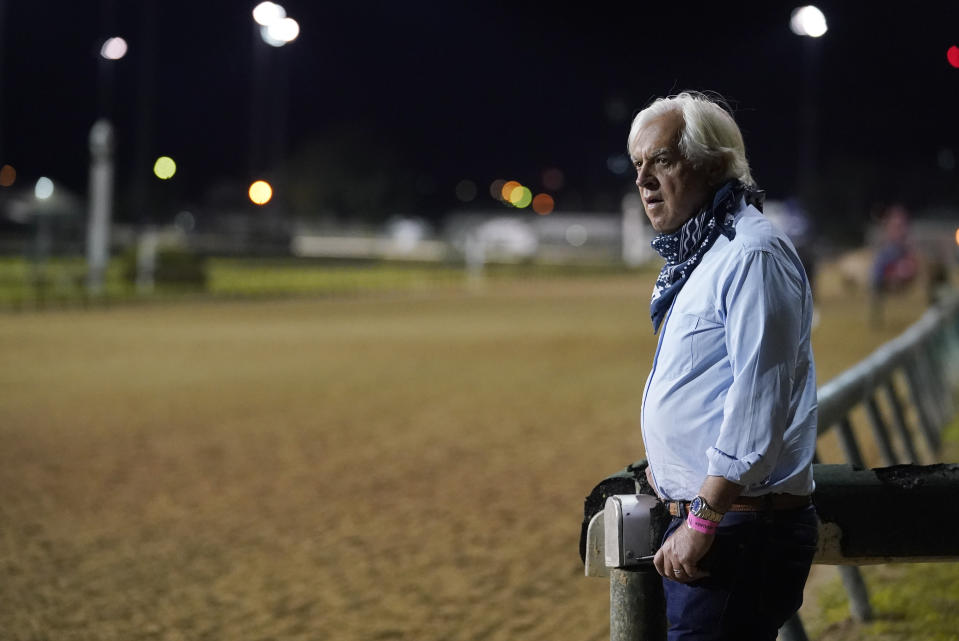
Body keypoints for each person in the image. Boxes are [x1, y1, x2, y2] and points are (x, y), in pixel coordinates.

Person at [629, 92, 819, 640]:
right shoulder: (704, 253)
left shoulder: (751, 252)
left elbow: (758, 400)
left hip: (737, 530)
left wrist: (703, 517)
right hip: (720, 522)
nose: (643, 179)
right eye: (638, 164)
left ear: (714, 164)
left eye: (662, 160)